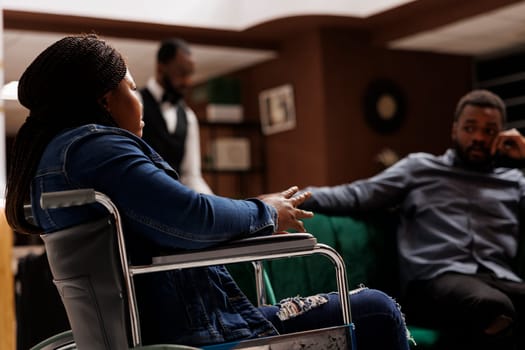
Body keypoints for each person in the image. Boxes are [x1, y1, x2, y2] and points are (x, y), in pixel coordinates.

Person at [5, 34, 410, 349]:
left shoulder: (58, 156)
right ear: (106, 99)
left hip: (156, 327)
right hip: (192, 332)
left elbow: (175, 213)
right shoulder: (96, 149)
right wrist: (264, 212)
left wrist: (246, 220)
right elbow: (191, 218)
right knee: (376, 309)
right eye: (131, 89)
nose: (139, 101)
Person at [299, 89, 525, 349]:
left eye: (489, 131)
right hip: (436, 280)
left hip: (498, 275)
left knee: (499, 304)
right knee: (494, 308)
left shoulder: (514, 181)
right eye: (470, 128)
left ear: (503, 135)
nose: (478, 137)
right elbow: (357, 194)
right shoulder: (421, 168)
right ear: (454, 130)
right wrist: (291, 198)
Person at [140, 38, 212, 194]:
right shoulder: (136, 103)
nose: (188, 81)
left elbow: (191, 176)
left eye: (190, 74)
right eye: (182, 73)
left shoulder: (189, 116)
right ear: (161, 68)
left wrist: (217, 206)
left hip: (173, 203)